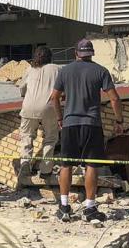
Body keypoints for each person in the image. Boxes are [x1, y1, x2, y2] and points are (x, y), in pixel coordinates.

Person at [52, 39, 123, 223]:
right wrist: (119, 120)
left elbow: (54, 97)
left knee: (66, 164)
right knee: (92, 164)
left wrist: (60, 117)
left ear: (76, 53)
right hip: (92, 124)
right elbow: (114, 99)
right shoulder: (100, 71)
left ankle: (64, 207)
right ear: (91, 53)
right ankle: (90, 208)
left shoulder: (65, 71)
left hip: (69, 124)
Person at [18, 46, 60, 184]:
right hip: (49, 107)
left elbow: (21, 88)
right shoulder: (57, 69)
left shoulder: (30, 69)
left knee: (27, 136)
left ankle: (25, 163)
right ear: (50, 57)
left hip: (29, 106)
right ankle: (46, 170)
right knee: (50, 138)